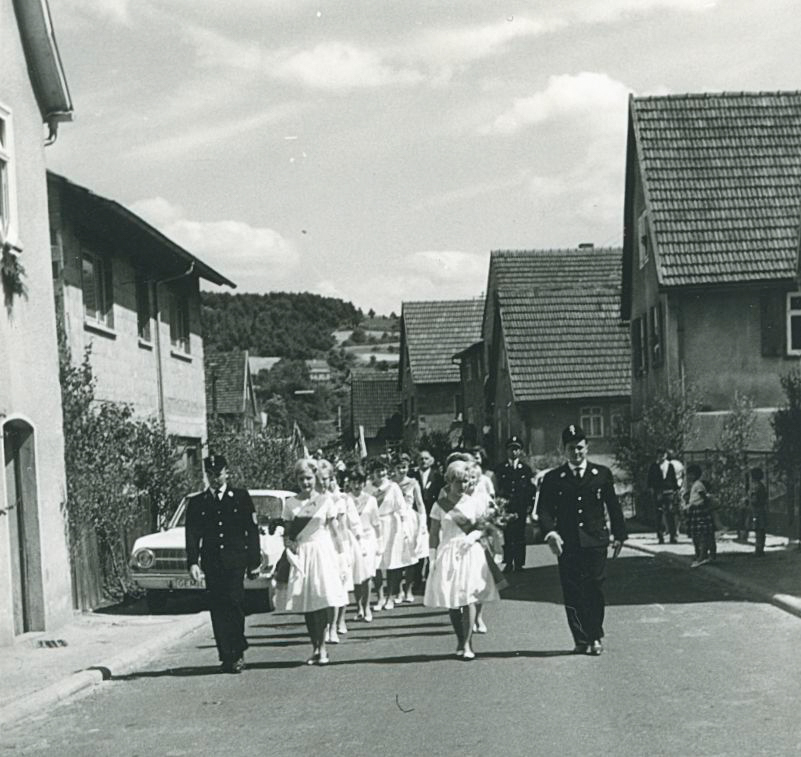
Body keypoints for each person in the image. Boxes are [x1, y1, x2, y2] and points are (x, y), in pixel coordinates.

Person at [537, 425, 627, 656]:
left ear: (587, 447)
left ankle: (595, 636)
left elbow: (613, 507)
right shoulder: (553, 478)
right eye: (571, 449)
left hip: (595, 541)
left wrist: (620, 535)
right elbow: (544, 510)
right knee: (573, 591)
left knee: (594, 588)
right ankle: (580, 638)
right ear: (563, 450)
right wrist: (550, 533)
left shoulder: (602, 474)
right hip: (567, 544)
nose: (576, 453)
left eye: (580, 448)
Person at [185, 454, 260, 674]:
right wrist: (193, 563)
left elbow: (251, 531)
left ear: (226, 472)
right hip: (212, 563)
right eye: (210, 474)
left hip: (236, 562)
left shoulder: (240, 497)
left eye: (218, 474)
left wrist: (254, 562)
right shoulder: (198, 502)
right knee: (218, 608)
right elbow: (192, 535)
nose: (214, 479)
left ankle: (237, 652)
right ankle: (226, 655)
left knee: (235, 605)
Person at [273, 458, 348, 666]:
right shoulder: (290, 503)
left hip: (322, 552)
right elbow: (287, 534)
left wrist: (342, 559)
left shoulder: (326, 501)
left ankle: (323, 647)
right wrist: (289, 547)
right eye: (301, 479)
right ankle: (315, 647)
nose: (305, 483)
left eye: (308, 478)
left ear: (315, 478)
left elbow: (335, 532)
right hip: (302, 555)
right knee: (307, 605)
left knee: (321, 601)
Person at [424, 460, 500, 660]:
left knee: (468, 598)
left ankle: (467, 643)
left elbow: (484, 527)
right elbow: (433, 533)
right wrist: (431, 558)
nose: (463, 486)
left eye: (466, 481)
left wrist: (473, 537)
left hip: (470, 552)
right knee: (453, 600)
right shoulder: (439, 505)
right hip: (448, 552)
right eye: (458, 482)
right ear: (449, 481)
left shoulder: (473, 503)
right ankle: (459, 639)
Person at [371, 456, 413, 610]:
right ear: (372, 473)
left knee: (391, 564)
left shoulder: (393, 487)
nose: (381, 473)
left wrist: (405, 528)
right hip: (374, 527)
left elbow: (402, 508)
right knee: (375, 564)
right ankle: (380, 597)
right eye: (377, 471)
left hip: (391, 526)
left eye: (382, 470)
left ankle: (390, 597)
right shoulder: (368, 488)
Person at [494, 435, 536, 572]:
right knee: (508, 535)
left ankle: (519, 563)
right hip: (506, 507)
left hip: (520, 507)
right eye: (511, 449)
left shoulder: (525, 470)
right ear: (507, 451)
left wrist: (529, 506)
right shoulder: (501, 468)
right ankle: (508, 562)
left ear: (520, 451)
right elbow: (497, 488)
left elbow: (530, 490)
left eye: (517, 449)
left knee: (519, 535)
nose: (514, 452)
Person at [347, 466, 382, 621]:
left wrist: (380, 543)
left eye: (360, 482)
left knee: (367, 575)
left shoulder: (371, 500)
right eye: (354, 482)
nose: (357, 485)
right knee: (356, 576)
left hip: (368, 539)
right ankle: (358, 607)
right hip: (351, 540)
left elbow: (376, 523)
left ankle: (367, 607)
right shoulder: (345, 499)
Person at [392, 452, 428, 601]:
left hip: (410, 520)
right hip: (394, 520)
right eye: (399, 467)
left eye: (405, 467)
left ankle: (408, 590)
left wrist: (423, 522)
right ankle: (398, 590)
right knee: (396, 556)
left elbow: (419, 503)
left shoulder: (413, 482)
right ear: (394, 468)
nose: (402, 470)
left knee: (411, 556)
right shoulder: (390, 483)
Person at [647, 448, 681, 544]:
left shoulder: (670, 465)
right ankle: (660, 536)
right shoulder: (654, 466)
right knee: (659, 514)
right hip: (658, 492)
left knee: (670, 514)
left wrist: (676, 490)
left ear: (666, 455)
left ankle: (673, 536)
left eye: (663, 454)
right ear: (657, 456)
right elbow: (650, 480)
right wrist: (653, 491)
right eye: (659, 454)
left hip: (669, 492)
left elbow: (673, 478)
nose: (661, 456)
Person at [685, 463, 715, 568]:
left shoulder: (698, 485)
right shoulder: (695, 485)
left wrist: (705, 506)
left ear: (693, 475)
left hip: (700, 512)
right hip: (695, 511)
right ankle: (701, 555)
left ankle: (702, 556)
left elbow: (703, 496)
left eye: (689, 474)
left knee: (701, 533)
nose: (687, 477)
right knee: (697, 534)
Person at [414, 448, 444, 525]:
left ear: (431, 460)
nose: (423, 461)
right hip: (417, 512)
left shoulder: (438, 477)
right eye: (421, 459)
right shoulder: (412, 476)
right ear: (417, 461)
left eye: (426, 458)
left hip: (433, 511)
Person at [749, 467, 768, 557]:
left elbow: (754, 499)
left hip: (757, 510)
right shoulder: (761, 485)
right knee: (761, 529)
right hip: (762, 509)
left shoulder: (755, 486)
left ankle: (758, 549)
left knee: (758, 530)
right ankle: (760, 548)